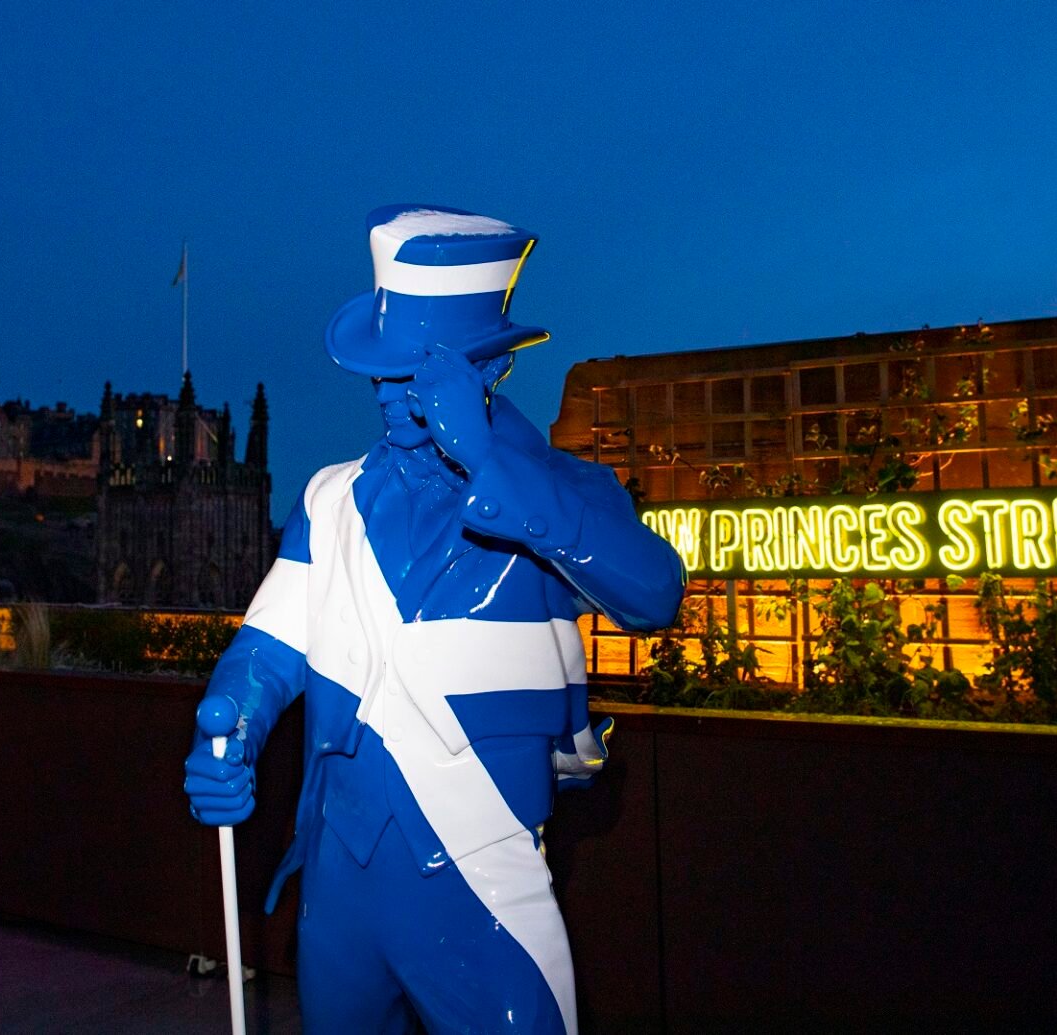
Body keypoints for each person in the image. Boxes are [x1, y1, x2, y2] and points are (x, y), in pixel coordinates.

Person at [184, 204, 686, 1034]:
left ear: (482, 370)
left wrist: (487, 458)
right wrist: (230, 718)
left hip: (483, 871)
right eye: (382, 369)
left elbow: (653, 592)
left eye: (415, 370)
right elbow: (269, 648)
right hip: (339, 883)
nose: (386, 391)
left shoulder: (555, 495)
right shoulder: (330, 499)